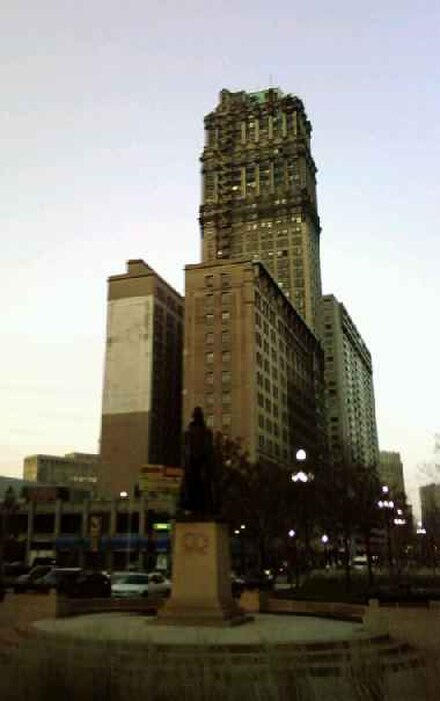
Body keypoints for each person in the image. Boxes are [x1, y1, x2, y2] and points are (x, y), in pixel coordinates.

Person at [178, 407, 218, 518]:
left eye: (198, 414)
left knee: (204, 487)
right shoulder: (188, 434)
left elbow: (209, 450)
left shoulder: (206, 433)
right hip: (192, 464)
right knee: (192, 487)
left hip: (202, 463)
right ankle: (193, 507)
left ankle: (205, 507)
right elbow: (185, 450)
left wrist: (207, 464)